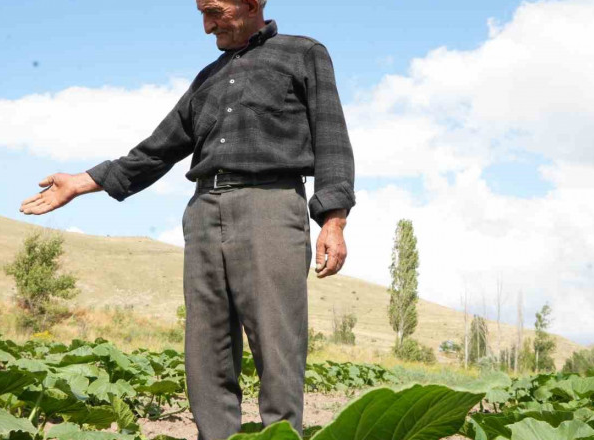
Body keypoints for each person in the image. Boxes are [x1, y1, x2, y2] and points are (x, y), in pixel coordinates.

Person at [19, 0, 355, 438]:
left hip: (269, 205)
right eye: (201, 12)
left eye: (214, 10)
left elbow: (332, 137)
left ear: (251, 4)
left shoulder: (303, 53)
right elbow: (155, 151)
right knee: (206, 347)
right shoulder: (207, 78)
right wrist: (82, 182)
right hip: (202, 211)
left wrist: (334, 219)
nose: (206, 25)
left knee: (277, 342)